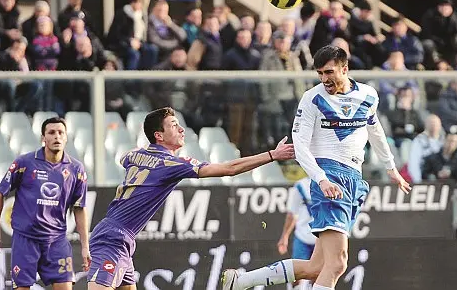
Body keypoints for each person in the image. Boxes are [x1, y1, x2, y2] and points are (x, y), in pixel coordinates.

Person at [222, 45, 411, 290]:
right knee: (338, 264)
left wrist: (390, 167)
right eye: (320, 73)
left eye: (329, 72)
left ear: (345, 68)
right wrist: (322, 179)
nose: (324, 79)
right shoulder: (313, 98)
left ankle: (241, 281)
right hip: (330, 176)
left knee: (316, 268)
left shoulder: (368, 95)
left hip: (354, 179)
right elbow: (300, 145)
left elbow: (375, 130)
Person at [86, 107, 294, 290]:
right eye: (174, 125)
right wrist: (271, 155)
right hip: (113, 239)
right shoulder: (171, 164)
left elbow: (125, 158)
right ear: (159, 135)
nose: (181, 129)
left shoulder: (136, 156)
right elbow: (228, 169)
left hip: (121, 238)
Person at [0, 117, 90, 290]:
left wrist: (85, 246)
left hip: (57, 240)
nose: (56, 136)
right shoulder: (24, 163)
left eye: (60, 133)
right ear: (43, 138)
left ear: (66, 137)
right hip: (26, 239)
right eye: (51, 132)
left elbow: (79, 207)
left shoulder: (76, 169)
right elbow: (0, 193)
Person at [277, 176, 316, 289]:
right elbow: (292, 214)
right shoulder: (301, 186)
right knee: (296, 275)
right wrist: (284, 237)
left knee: (320, 276)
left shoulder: (331, 183)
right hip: (302, 237)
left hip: (322, 239)